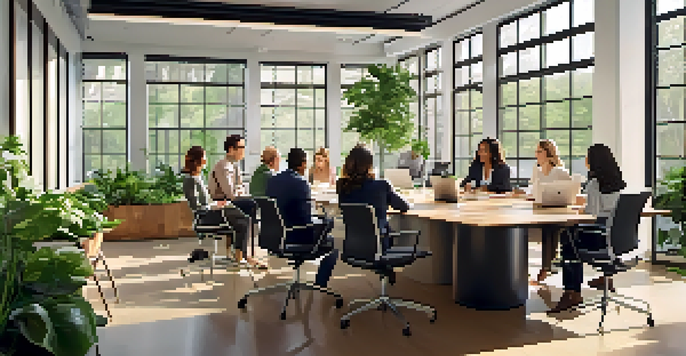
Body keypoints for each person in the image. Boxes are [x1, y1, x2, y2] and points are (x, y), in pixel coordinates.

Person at [548, 143, 626, 313]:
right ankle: (607, 278)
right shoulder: (620, 185)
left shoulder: (594, 184)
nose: (585, 159)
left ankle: (572, 292)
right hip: (620, 241)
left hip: (600, 240)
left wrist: (580, 211)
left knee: (568, 236)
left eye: (587, 156)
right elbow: (608, 212)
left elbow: (591, 215)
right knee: (589, 231)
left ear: (593, 161)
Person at [266, 148, 339, 288]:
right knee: (332, 240)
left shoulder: (272, 181)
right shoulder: (301, 183)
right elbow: (306, 217)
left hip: (273, 237)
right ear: (302, 164)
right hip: (296, 237)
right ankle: (320, 285)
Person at [181, 146, 258, 268]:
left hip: (209, 213)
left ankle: (240, 255)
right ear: (198, 160)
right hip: (204, 218)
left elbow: (204, 202)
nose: (206, 160)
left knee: (242, 218)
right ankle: (240, 256)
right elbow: (197, 207)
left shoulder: (197, 178)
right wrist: (215, 205)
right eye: (204, 157)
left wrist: (216, 204)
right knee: (242, 220)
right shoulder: (190, 180)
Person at [337, 145, 411, 251]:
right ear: (369, 166)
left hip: (353, 247)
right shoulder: (381, 186)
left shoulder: (342, 187)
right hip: (380, 246)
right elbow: (404, 206)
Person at [209, 135, 264, 268]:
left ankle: (243, 252)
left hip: (229, 204)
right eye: (241, 147)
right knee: (252, 205)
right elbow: (231, 193)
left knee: (252, 205)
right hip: (221, 207)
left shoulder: (234, 166)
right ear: (231, 149)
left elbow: (241, 189)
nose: (243, 150)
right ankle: (243, 254)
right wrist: (239, 191)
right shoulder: (223, 166)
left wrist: (239, 191)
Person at [530, 139, 572, 285]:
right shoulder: (537, 171)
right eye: (536, 151)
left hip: (557, 212)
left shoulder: (560, 172)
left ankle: (546, 267)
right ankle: (543, 267)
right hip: (539, 210)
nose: (536, 154)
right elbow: (533, 191)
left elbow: (570, 192)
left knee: (550, 228)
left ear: (548, 154)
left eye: (539, 151)